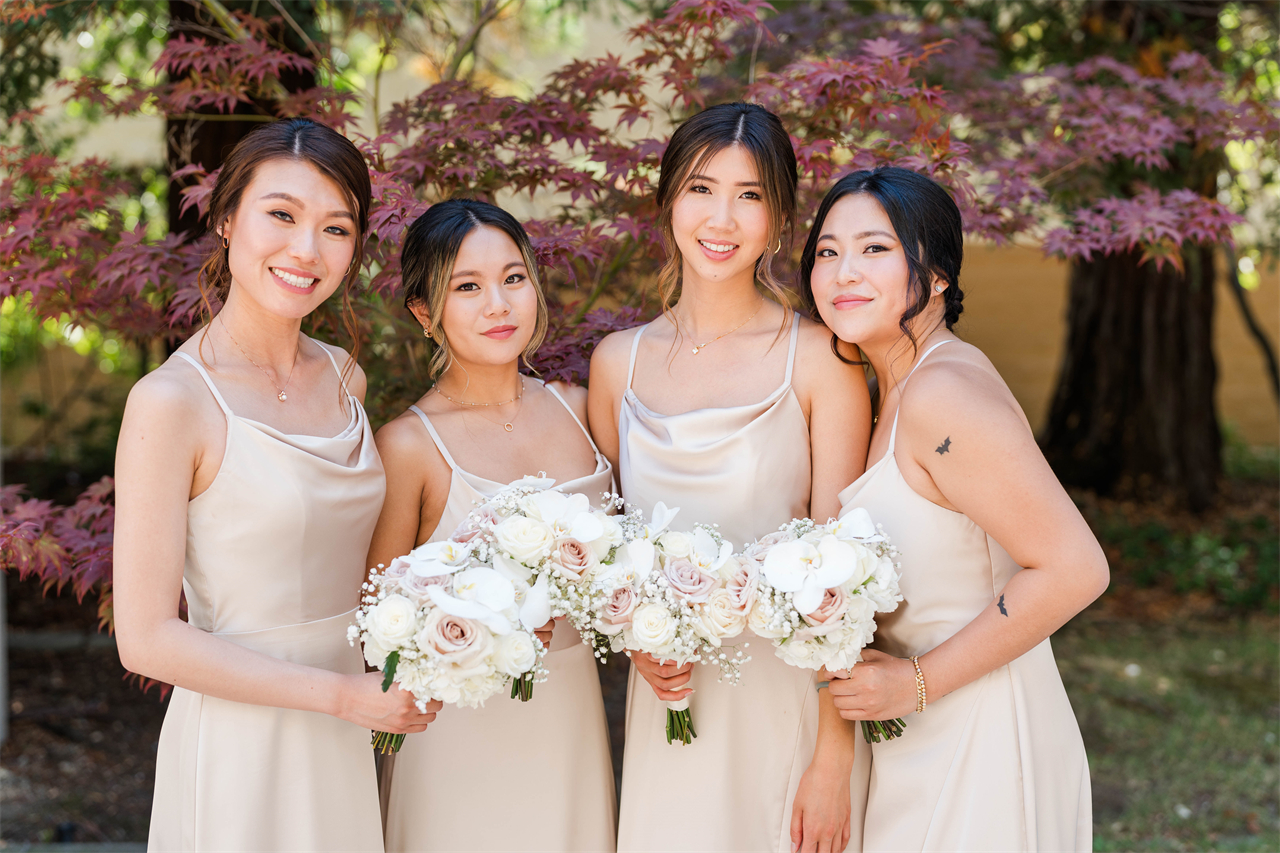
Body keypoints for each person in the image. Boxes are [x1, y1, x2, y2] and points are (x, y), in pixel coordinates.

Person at [113, 118, 437, 852]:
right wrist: (341, 694)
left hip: (349, 734)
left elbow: (369, 570)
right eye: (281, 215)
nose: (305, 249)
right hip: (241, 744)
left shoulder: (343, 377)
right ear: (227, 219)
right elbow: (145, 637)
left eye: (335, 227)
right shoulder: (173, 403)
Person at [588, 102, 872, 853]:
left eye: (749, 195)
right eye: (701, 188)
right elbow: (606, 552)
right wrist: (633, 638)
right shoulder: (618, 364)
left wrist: (834, 758)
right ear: (668, 201)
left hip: (789, 701)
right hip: (670, 698)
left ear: (779, 218)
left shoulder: (820, 359)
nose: (722, 217)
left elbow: (847, 575)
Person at [800, 166, 1108, 852]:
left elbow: (1075, 568)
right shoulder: (897, 390)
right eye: (827, 250)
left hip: (986, 740)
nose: (844, 270)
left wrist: (913, 684)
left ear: (937, 273)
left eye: (875, 248)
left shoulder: (944, 394)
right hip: (921, 738)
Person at [371, 198, 617, 853]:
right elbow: (377, 623)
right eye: (468, 287)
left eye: (513, 278)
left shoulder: (579, 409)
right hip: (459, 734)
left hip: (570, 718)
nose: (498, 304)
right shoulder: (409, 445)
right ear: (426, 313)